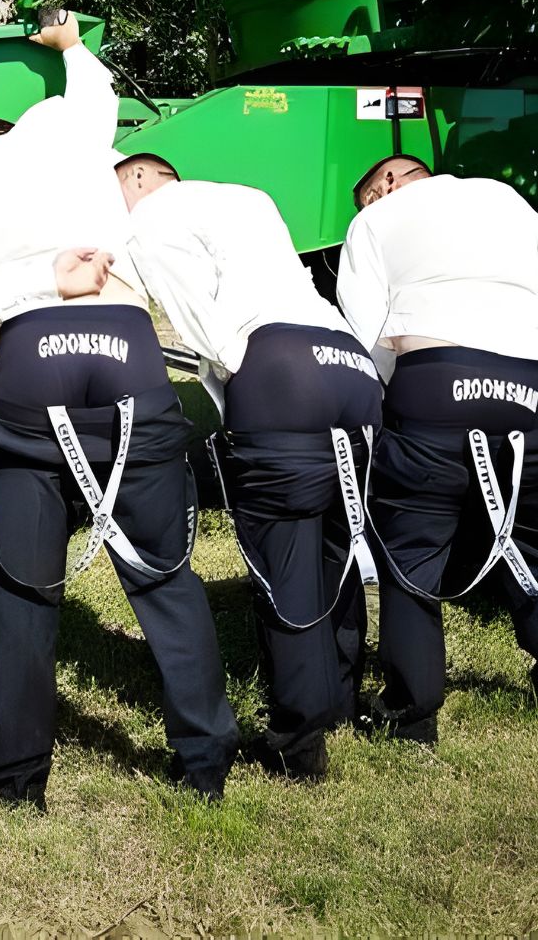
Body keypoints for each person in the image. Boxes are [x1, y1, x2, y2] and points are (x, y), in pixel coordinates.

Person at [0, 14, 239, 807]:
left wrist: (39, 282)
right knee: (163, 574)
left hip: (34, 348)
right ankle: (206, 760)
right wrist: (71, 45)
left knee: (23, 591)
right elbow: (97, 86)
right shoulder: (76, 134)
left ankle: (16, 781)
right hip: (125, 341)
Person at [115, 164, 382, 779]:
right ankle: (340, 698)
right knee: (338, 548)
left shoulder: (152, 215)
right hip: (347, 359)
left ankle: (299, 743)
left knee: (285, 566)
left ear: (137, 179)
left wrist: (240, 367)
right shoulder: (252, 198)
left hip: (278, 361)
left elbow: (193, 311)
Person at [337, 156, 538, 743]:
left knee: (411, 552)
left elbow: (366, 329)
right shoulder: (507, 199)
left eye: (368, 195)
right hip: (528, 383)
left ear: (385, 185)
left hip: (437, 376)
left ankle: (412, 708)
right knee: (531, 543)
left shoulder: (375, 220)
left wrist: (389, 403)